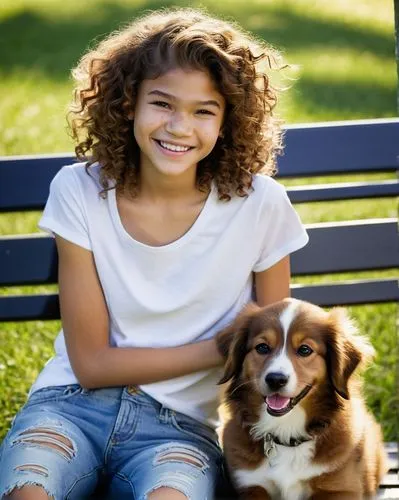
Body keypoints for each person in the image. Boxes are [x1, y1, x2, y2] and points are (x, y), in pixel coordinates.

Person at [0, 7, 308, 500]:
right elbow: (92, 364)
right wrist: (224, 349)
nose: (179, 127)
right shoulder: (79, 191)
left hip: (179, 429)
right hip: (69, 407)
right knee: (29, 492)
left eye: (204, 110)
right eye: (162, 104)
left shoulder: (260, 204)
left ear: (228, 122)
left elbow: (275, 347)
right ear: (127, 104)